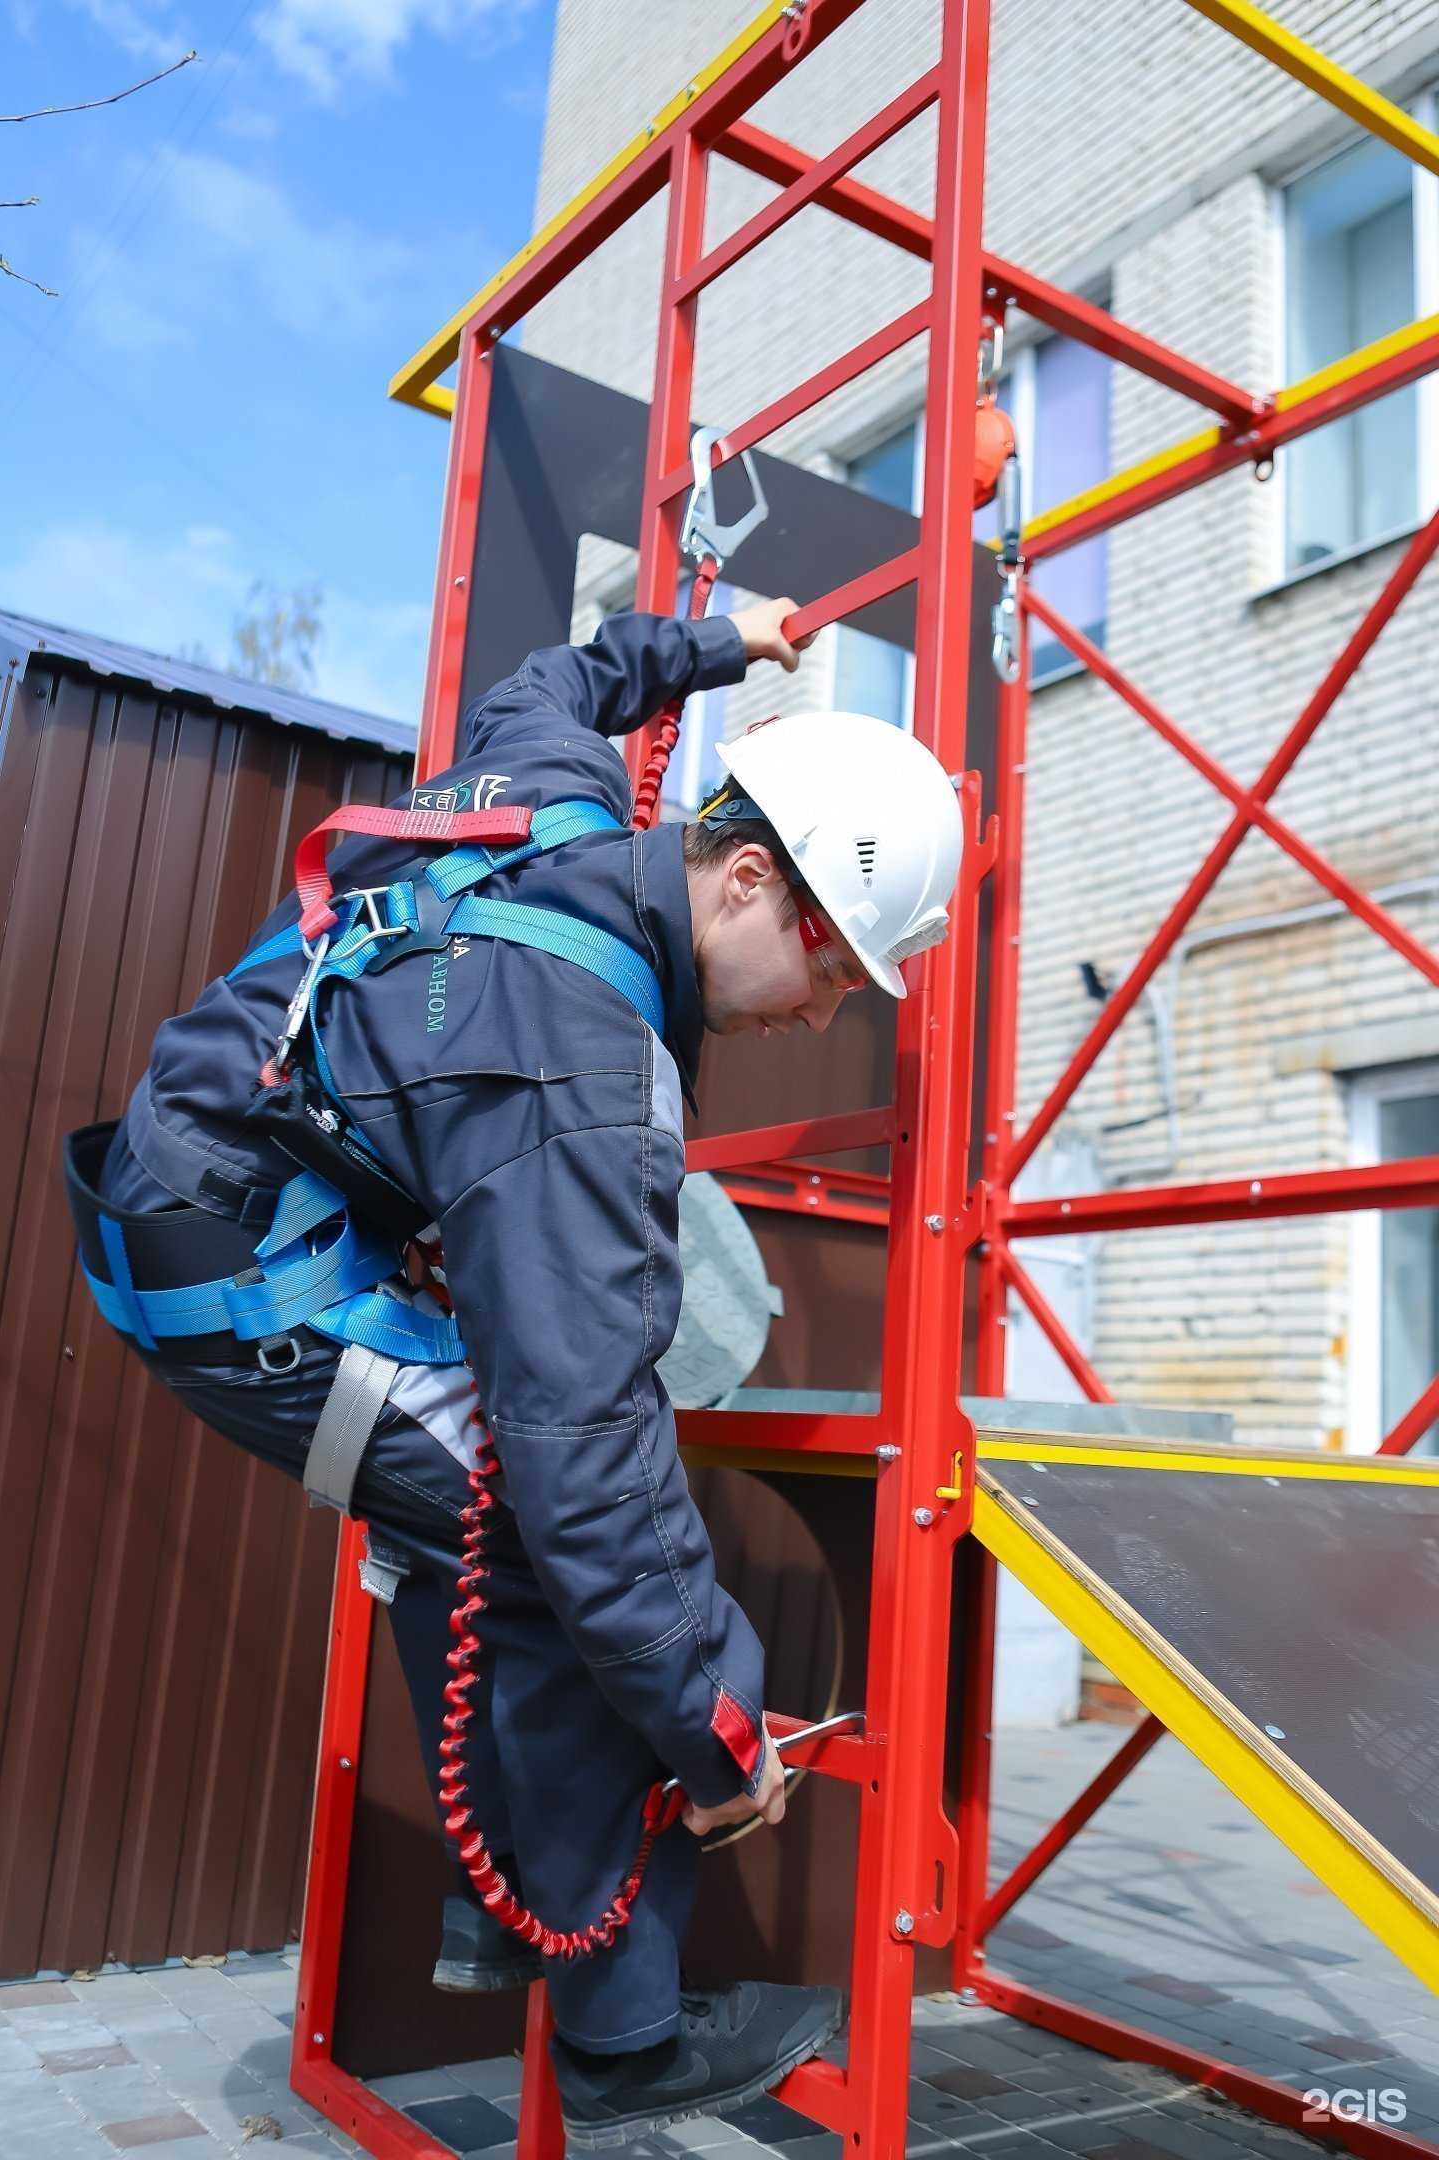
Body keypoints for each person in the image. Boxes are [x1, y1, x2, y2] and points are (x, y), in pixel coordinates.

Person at [65, 599, 963, 2149]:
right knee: (586, 1572)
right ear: (744, 874)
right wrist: (725, 1738)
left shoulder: (558, 797)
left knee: (485, 1548)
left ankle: (509, 1901)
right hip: (244, 1288)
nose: (827, 1010)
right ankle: (624, 2038)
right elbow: (588, 1468)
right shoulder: (582, 1082)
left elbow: (559, 675)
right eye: (830, 964)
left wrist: (717, 642)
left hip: (195, 1189)